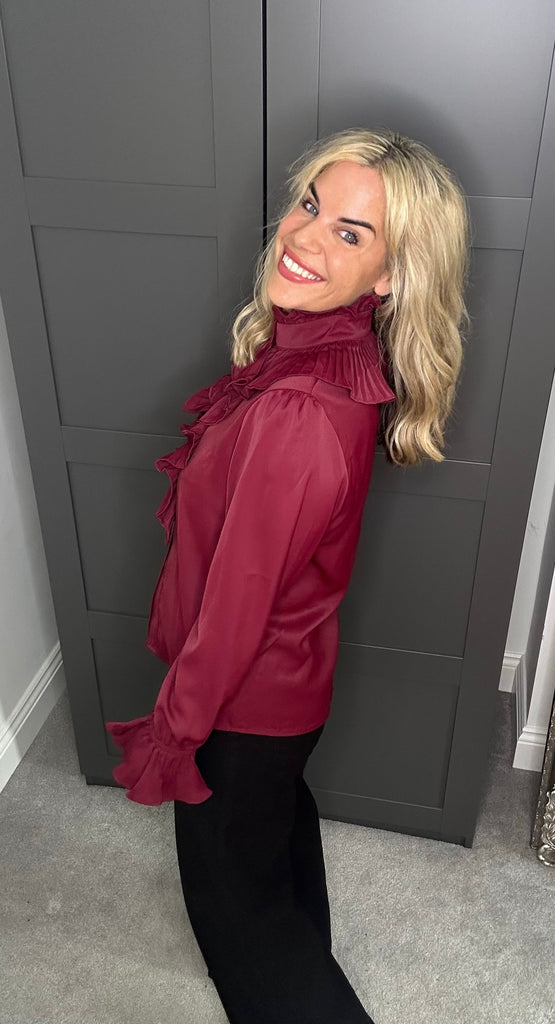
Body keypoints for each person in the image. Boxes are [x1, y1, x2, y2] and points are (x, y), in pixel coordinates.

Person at [106, 128, 469, 1024]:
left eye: (351, 232)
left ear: (390, 275)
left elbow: (235, 608)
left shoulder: (300, 408)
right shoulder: (325, 358)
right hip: (283, 693)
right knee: (271, 848)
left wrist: (174, 731)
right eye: (310, 205)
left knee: (241, 923)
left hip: (237, 704)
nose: (302, 236)